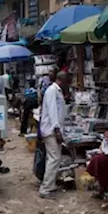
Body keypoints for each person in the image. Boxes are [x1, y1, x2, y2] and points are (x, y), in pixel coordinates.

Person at [38, 71, 70, 199]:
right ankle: (45, 189)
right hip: (51, 130)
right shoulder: (52, 91)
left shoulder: (56, 91)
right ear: (62, 81)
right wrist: (57, 130)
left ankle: (50, 185)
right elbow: (52, 111)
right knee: (54, 158)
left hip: (53, 129)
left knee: (52, 158)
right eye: (68, 82)